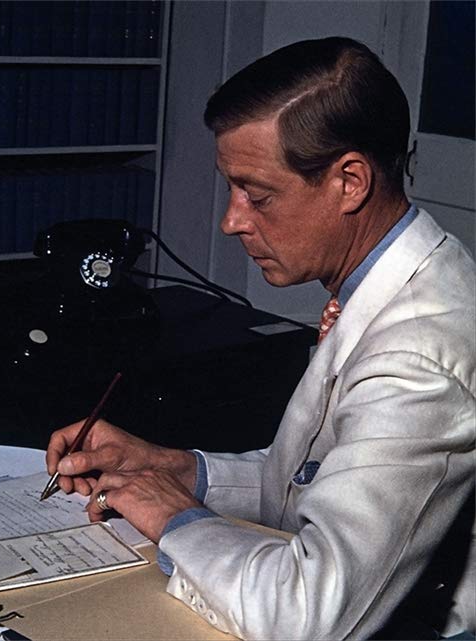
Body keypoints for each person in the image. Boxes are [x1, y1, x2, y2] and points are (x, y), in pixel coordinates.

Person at [46, 37, 475, 640]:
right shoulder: (395, 278)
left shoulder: (414, 359)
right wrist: (176, 470)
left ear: (350, 181)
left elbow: (307, 617)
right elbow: (318, 481)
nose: (232, 220)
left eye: (258, 194)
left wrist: (175, 518)